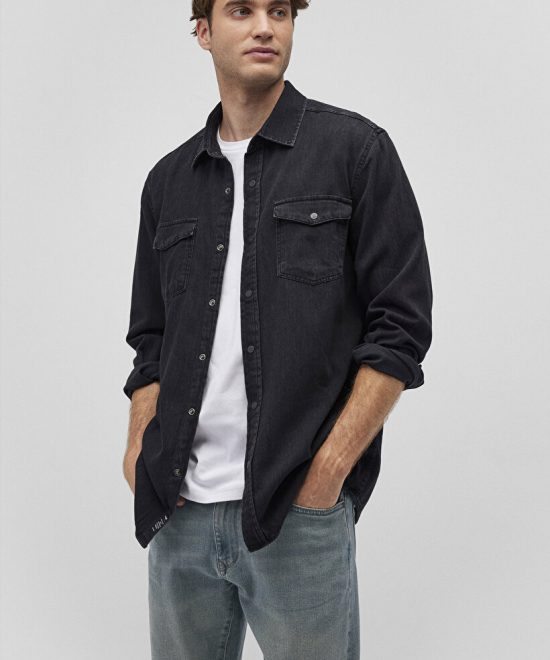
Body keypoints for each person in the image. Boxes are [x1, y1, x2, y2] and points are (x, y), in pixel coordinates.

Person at [122, 0, 433, 657]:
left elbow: (401, 326)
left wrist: (328, 471)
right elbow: (151, 339)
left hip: (296, 512)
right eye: (241, 10)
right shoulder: (168, 182)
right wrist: (139, 449)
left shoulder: (355, 152)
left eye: (280, 11)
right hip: (178, 513)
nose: (265, 27)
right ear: (203, 31)